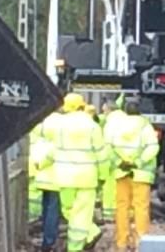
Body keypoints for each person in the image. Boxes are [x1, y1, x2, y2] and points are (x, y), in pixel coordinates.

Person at [51, 92, 108, 252]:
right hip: (87, 178)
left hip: (64, 176)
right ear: (82, 105)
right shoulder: (92, 126)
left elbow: (53, 148)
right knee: (82, 213)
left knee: (69, 210)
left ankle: (85, 237)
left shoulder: (59, 125)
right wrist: (103, 176)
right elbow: (101, 155)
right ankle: (84, 239)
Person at [105, 96, 160, 251]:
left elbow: (109, 147)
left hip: (122, 173)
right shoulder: (145, 126)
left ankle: (121, 243)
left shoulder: (116, 126)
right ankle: (140, 242)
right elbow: (152, 148)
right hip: (141, 174)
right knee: (141, 208)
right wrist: (138, 162)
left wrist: (119, 163)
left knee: (122, 207)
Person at [32, 109, 65, 252]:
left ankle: (45, 236)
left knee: (46, 208)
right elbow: (55, 155)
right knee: (53, 209)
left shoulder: (42, 128)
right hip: (57, 177)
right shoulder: (63, 129)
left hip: (42, 176)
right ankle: (49, 241)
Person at [99, 97, 126, 224]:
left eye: (103, 107)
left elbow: (108, 144)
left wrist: (107, 165)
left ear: (108, 108)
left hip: (114, 161)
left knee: (110, 187)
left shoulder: (111, 123)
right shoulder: (125, 119)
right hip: (127, 159)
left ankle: (109, 215)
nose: (102, 110)